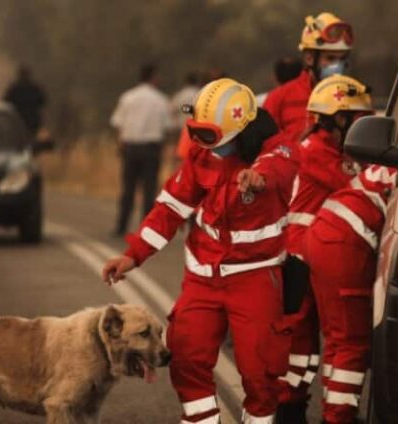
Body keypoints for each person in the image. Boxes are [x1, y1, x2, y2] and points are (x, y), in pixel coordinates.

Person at [103, 78, 298, 423]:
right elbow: (169, 210)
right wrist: (132, 256)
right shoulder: (202, 155)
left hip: (254, 276)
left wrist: (259, 177)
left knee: (260, 371)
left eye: (209, 136)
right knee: (186, 357)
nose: (202, 144)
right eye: (196, 133)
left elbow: (279, 166)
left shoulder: (276, 150)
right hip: (203, 275)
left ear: (241, 129)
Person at [274, 75, 374, 423]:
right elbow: (360, 186)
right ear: (336, 118)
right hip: (302, 257)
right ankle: (294, 410)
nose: (363, 126)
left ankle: (292, 409)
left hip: (307, 255)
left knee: (306, 345)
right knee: (306, 343)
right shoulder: (318, 151)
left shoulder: (324, 148)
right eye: (358, 119)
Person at [307, 164, 397, 423]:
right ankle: (338, 417)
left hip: (322, 234)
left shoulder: (383, 166)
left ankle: (332, 408)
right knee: (352, 343)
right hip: (344, 244)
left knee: (337, 339)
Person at [263, 12, 355, 141]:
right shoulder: (279, 99)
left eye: (342, 59)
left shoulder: (356, 99)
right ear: (309, 58)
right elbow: (266, 152)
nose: (338, 65)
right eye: (330, 58)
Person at [109, 63, 173, 236]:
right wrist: (164, 147)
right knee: (149, 189)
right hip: (151, 149)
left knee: (128, 188)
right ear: (153, 77)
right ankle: (147, 228)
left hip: (130, 147)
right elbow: (167, 127)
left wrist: (121, 143)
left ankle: (121, 226)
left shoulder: (127, 97)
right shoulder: (161, 100)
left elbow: (118, 124)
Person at [3, 66, 48, 135]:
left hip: (19, 120)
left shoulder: (14, 88)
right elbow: (43, 102)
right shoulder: (34, 88)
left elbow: (6, 102)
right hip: (29, 120)